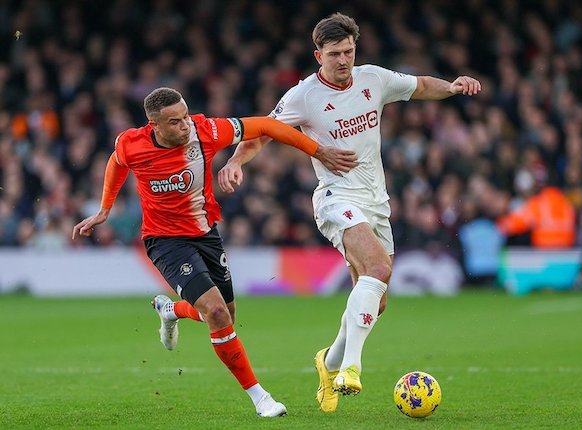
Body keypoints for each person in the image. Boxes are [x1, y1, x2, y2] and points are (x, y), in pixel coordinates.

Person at [217, 13, 481, 412]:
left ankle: (330, 360)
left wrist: (454, 86)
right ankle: (352, 368)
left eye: (349, 52)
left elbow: (422, 85)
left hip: (376, 202)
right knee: (378, 270)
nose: (344, 60)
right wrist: (237, 161)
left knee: (378, 300)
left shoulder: (373, 78)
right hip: (335, 198)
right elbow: (264, 132)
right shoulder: (303, 96)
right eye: (335, 53)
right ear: (317, 54)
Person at [71, 87, 357, 418]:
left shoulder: (204, 131)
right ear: (154, 125)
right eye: (175, 122)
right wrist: (105, 209)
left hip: (206, 234)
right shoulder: (131, 143)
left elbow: (266, 125)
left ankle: (172, 310)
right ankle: (260, 398)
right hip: (165, 241)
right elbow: (117, 162)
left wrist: (318, 151)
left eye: (185, 116)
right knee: (217, 314)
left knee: (225, 316)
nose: (185, 126)